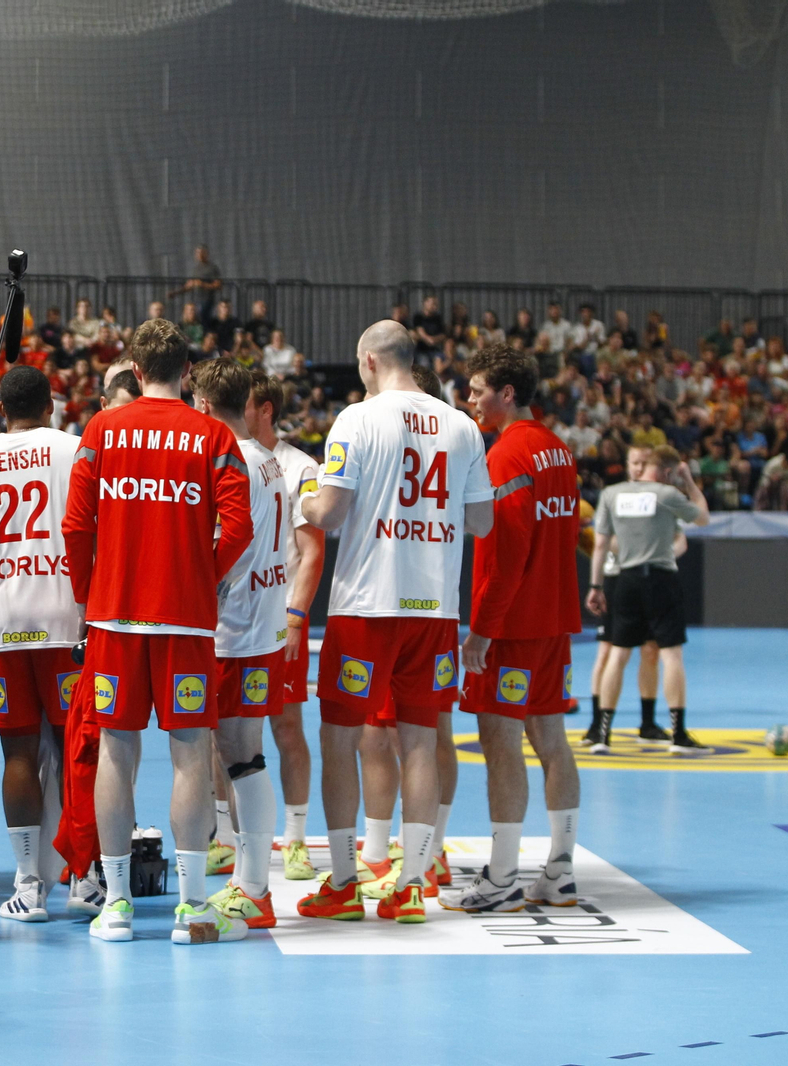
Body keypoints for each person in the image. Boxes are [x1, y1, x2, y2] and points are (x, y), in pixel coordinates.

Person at [64, 318, 253, 946]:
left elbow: (75, 525)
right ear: (188, 372)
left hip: (114, 617)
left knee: (117, 752)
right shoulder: (213, 434)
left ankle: (116, 904)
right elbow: (238, 528)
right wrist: (204, 577)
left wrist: (88, 594)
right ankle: (193, 906)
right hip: (185, 619)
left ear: (136, 371)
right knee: (190, 755)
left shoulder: (101, 429)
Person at [297, 320, 493, 925]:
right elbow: (482, 523)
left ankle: (346, 882)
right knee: (421, 740)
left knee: (339, 739)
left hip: (365, 606)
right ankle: (410, 884)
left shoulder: (358, 418)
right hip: (434, 608)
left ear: (368, 360)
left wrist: (304, 498)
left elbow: (327, 514)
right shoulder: (463, 426)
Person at [446, 344, 583, 912]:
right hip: (554, 621)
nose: (469, 399)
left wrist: (482, 631)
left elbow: (505, 558)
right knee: (551, 741)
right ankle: (559, 870)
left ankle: (501, 877)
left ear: (507, 394)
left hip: (513, 629)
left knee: (500, 742)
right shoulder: (559, 451)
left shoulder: (504, 458)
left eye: (477, 390)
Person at [0, 366, 85, 921]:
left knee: (18, 753)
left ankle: (28, 885)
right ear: (51, 407)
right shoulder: (76, 450)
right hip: (64, 619)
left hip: (2, 622)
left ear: (0, 411)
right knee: (78, 750)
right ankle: (86, 876)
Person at [187, 360, 292, 932]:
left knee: (240, 756)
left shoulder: (230, 463)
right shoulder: (269, 458)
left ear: (203, 407)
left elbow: (224, 542)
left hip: (235, 630)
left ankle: (253, 888)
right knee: (244, 754)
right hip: (263, 625)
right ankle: (251, 883)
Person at [246, 372, 325, 882]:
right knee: (222, 733)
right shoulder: (223, 457)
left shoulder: (301, 466)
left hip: (279, 622)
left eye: (245, 404)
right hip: (229, 621)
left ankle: (295, 838)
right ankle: (230, 837)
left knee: (287, 728)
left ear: (267, 409)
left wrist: (296, 619)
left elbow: (313, 552)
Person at [587, 445, 710, 754]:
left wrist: (595, 585)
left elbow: (600, 544)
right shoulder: (666, 495)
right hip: (660, 579)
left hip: (624, 581)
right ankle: (678, 734)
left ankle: (602, 733)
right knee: (671, 655)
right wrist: (689, 482)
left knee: (618, 654)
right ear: (668, 472)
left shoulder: (612, 494)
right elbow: (703, 518)